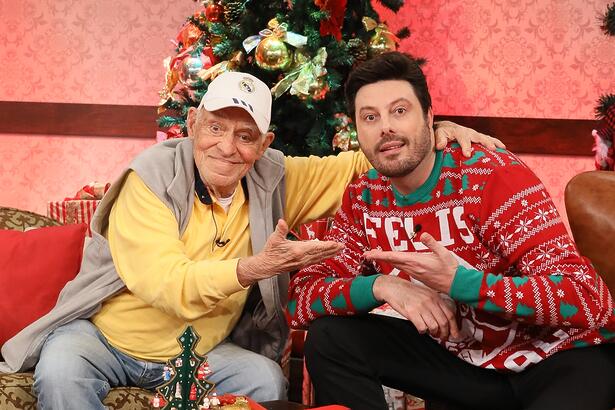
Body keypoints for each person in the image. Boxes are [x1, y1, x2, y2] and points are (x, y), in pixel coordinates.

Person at [20, 70, 499, 409]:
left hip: (198, 351)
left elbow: (362, 162)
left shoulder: (274, 176)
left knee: (263, 377)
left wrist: (432, 132)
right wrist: (254, 268)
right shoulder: (149, 178)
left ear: (265, 144)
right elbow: (168, 284)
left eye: (245, 135)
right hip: (105, 338)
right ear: (191, 126)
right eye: (215, 128)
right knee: (62, 370)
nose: (228, 148)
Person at [288, 52, 615, 410]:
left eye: (400, 111)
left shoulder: (492, 176)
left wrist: (461, 283)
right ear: (356, 129)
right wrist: (381, 286)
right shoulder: (364, 197)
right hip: (466, 369)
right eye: (370, 117)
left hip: (559, 359)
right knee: (330, 338)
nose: (385, 127)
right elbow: (301, 300)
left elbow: (588, 299)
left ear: (429, 117)